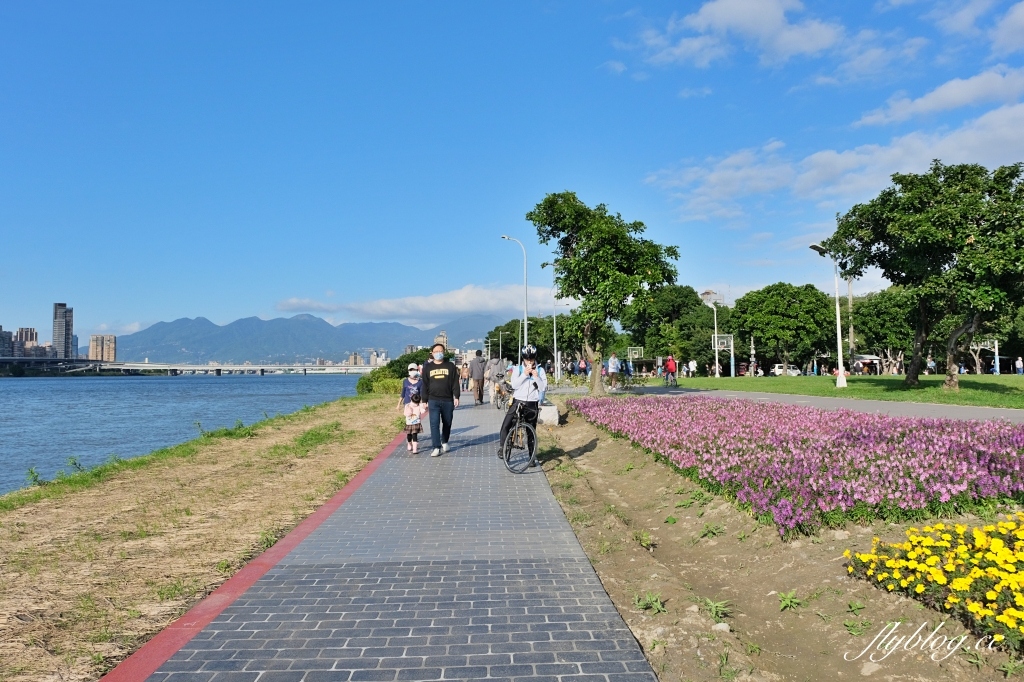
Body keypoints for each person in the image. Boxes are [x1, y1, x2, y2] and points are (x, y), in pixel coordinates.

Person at [498, 345, 547, 466]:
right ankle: (503, 446)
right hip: (518, 401)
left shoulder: (540, 371)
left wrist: (536, 377)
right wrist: (524, 374)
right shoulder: (518, 369)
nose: (529, 361)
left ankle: (531, 457)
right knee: (506, 424)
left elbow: (543, 388)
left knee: (531, 431)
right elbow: (514, 385)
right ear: (523, 358)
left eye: (531, 359)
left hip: (532, 403)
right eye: (526, 359)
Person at [422, 343, 460, 457]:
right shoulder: (428, 367)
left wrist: (456, 396)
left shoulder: (450, 366)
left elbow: (455, 382)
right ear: (432, 353)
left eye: (440, 351)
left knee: (447, 422)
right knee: (434, 424)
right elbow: (424, 384)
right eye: (436, 351)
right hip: (433, 400)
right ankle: (436, 447)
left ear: (444, 352)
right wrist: (424, 400)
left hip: (447, 399)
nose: (438, 353)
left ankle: (445, 441)